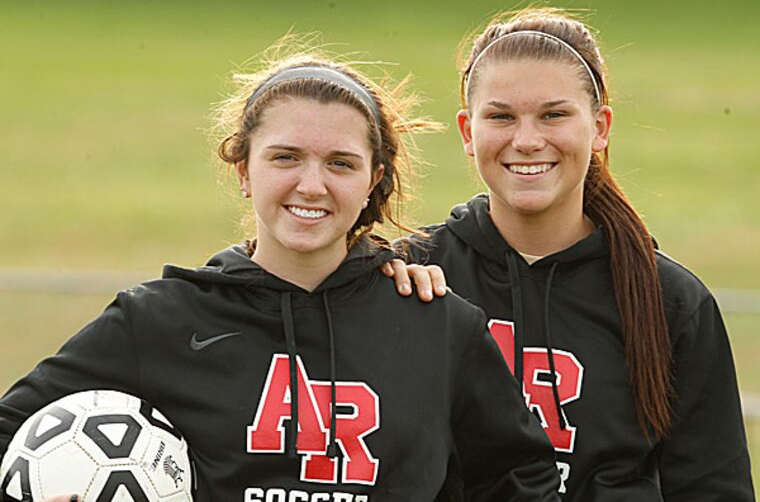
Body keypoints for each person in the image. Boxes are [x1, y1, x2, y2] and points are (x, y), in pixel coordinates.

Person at [0, 42, 561, 501]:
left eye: (341, 164)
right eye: (285, 157)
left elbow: (519, 478)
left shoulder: (438, 326)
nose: (311, 186)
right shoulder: (160, 320)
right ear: (244, 168)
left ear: (372, 180)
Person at [391, 7, 755, 501]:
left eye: (554, 114)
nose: (526, 140)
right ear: (467, 133)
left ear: (600, 127)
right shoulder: (410, 276)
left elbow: (712, 488)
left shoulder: (669, 300)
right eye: (500, 116)